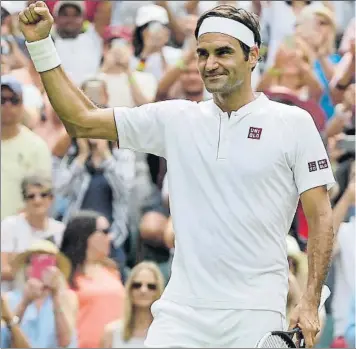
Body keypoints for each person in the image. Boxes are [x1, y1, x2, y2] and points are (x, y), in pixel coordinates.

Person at [19, 2, 335, 347]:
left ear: (253, 55)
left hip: (254, 312)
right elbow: (80, 119)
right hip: (180, 311)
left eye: (223, 52)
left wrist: (309, 299)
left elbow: (321, 217)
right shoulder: (175, 119)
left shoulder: (293, 124)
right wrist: (39, 44)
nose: (210, 64)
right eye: (203, 53)